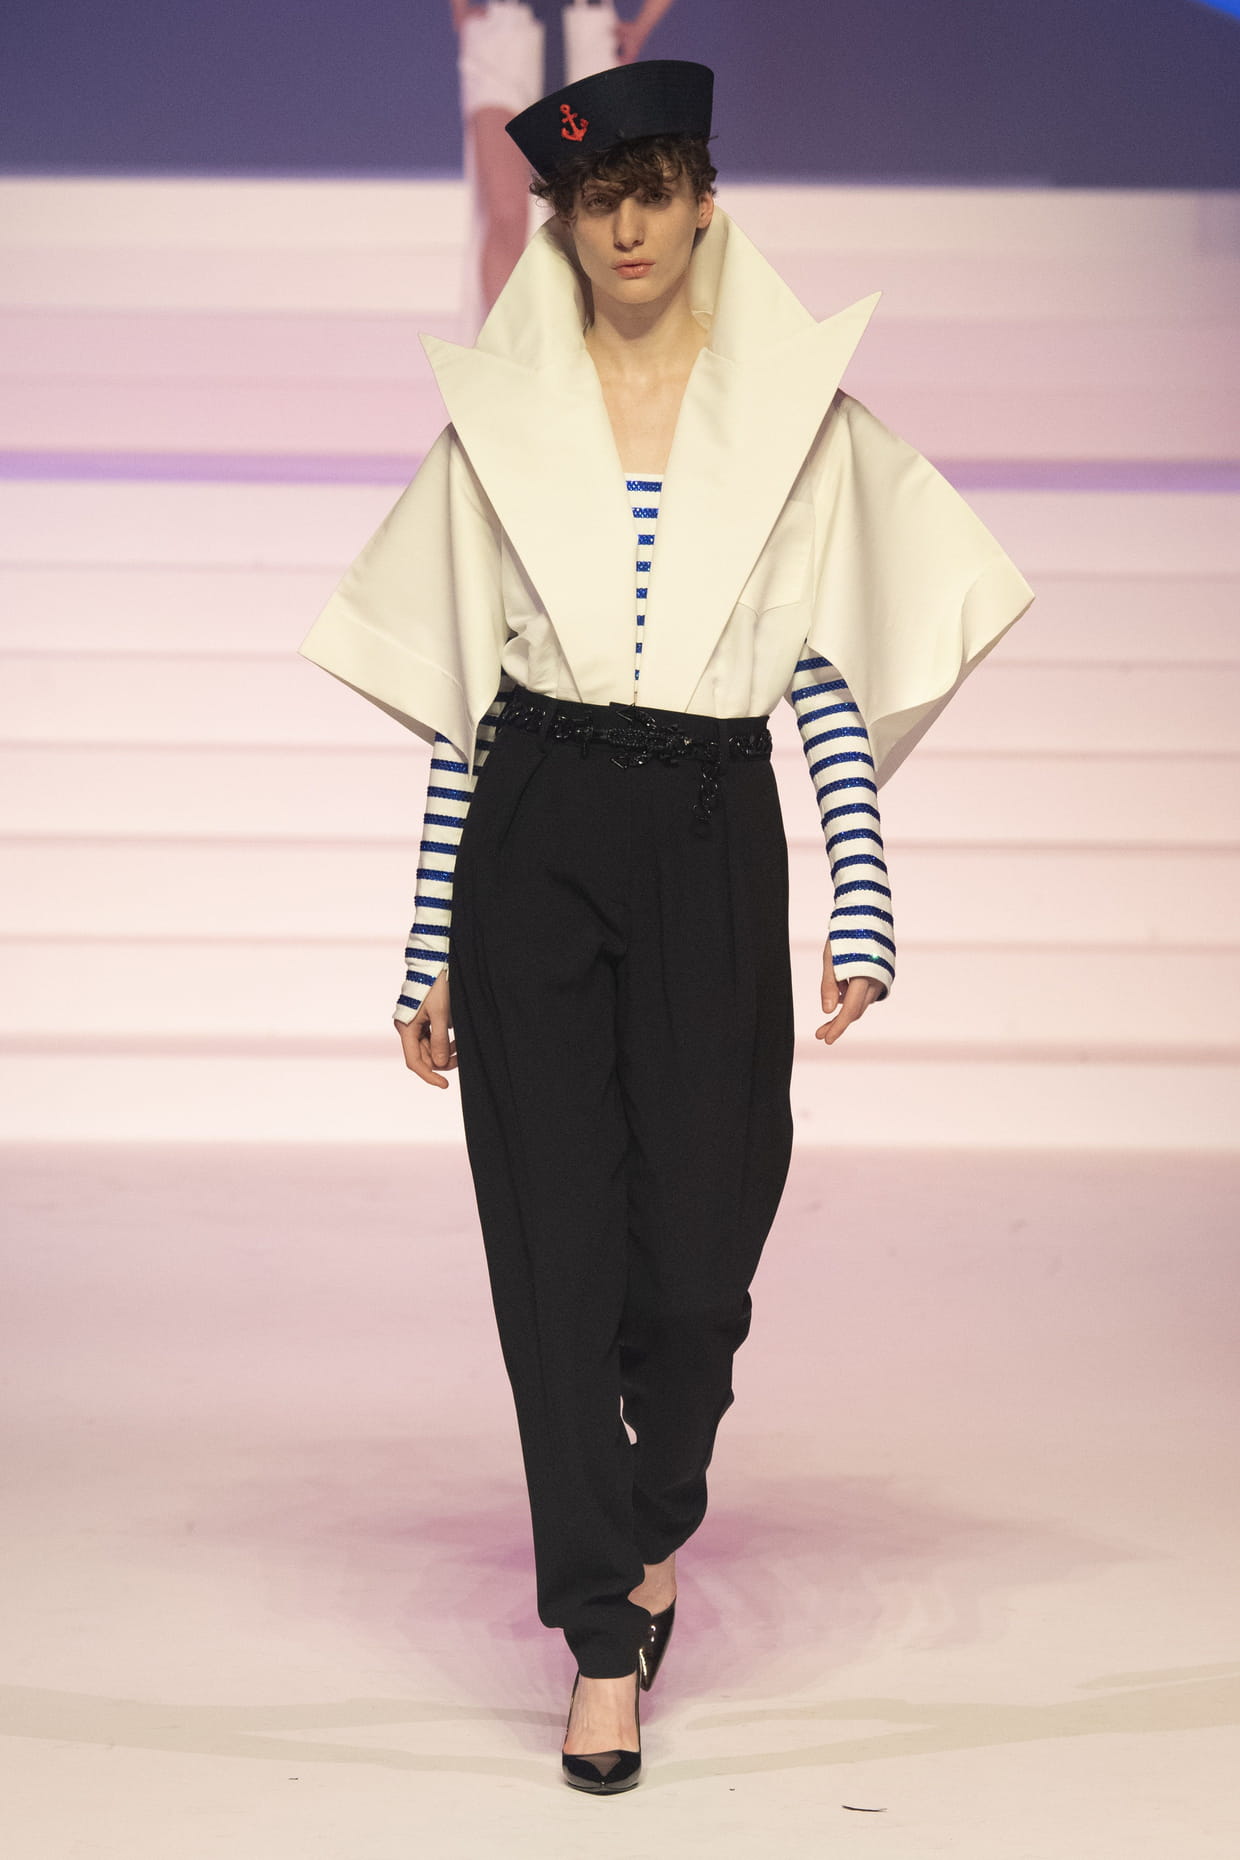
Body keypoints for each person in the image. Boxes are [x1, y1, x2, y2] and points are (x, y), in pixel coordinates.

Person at [297, 59, 1035, 1793]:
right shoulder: (501, 430)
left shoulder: (801, 423)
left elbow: (827, 671)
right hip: (538, 825)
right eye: (593, 202)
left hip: (711, 824)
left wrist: (865, 888)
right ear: (561, 226)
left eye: (652, 193)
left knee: (702, 1251)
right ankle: (599, 1635)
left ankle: (653, 1508)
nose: (625, 229)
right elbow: (469, 706)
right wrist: (425, 944)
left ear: (706, 203)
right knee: (553, 1242)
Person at [452, 0, 679, 324]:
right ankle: (505, 346)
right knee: (505, 210)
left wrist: (641, 27)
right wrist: (461, 13)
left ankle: (578, 341)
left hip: (588, 35)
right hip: (502, 34)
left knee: (585, 214)